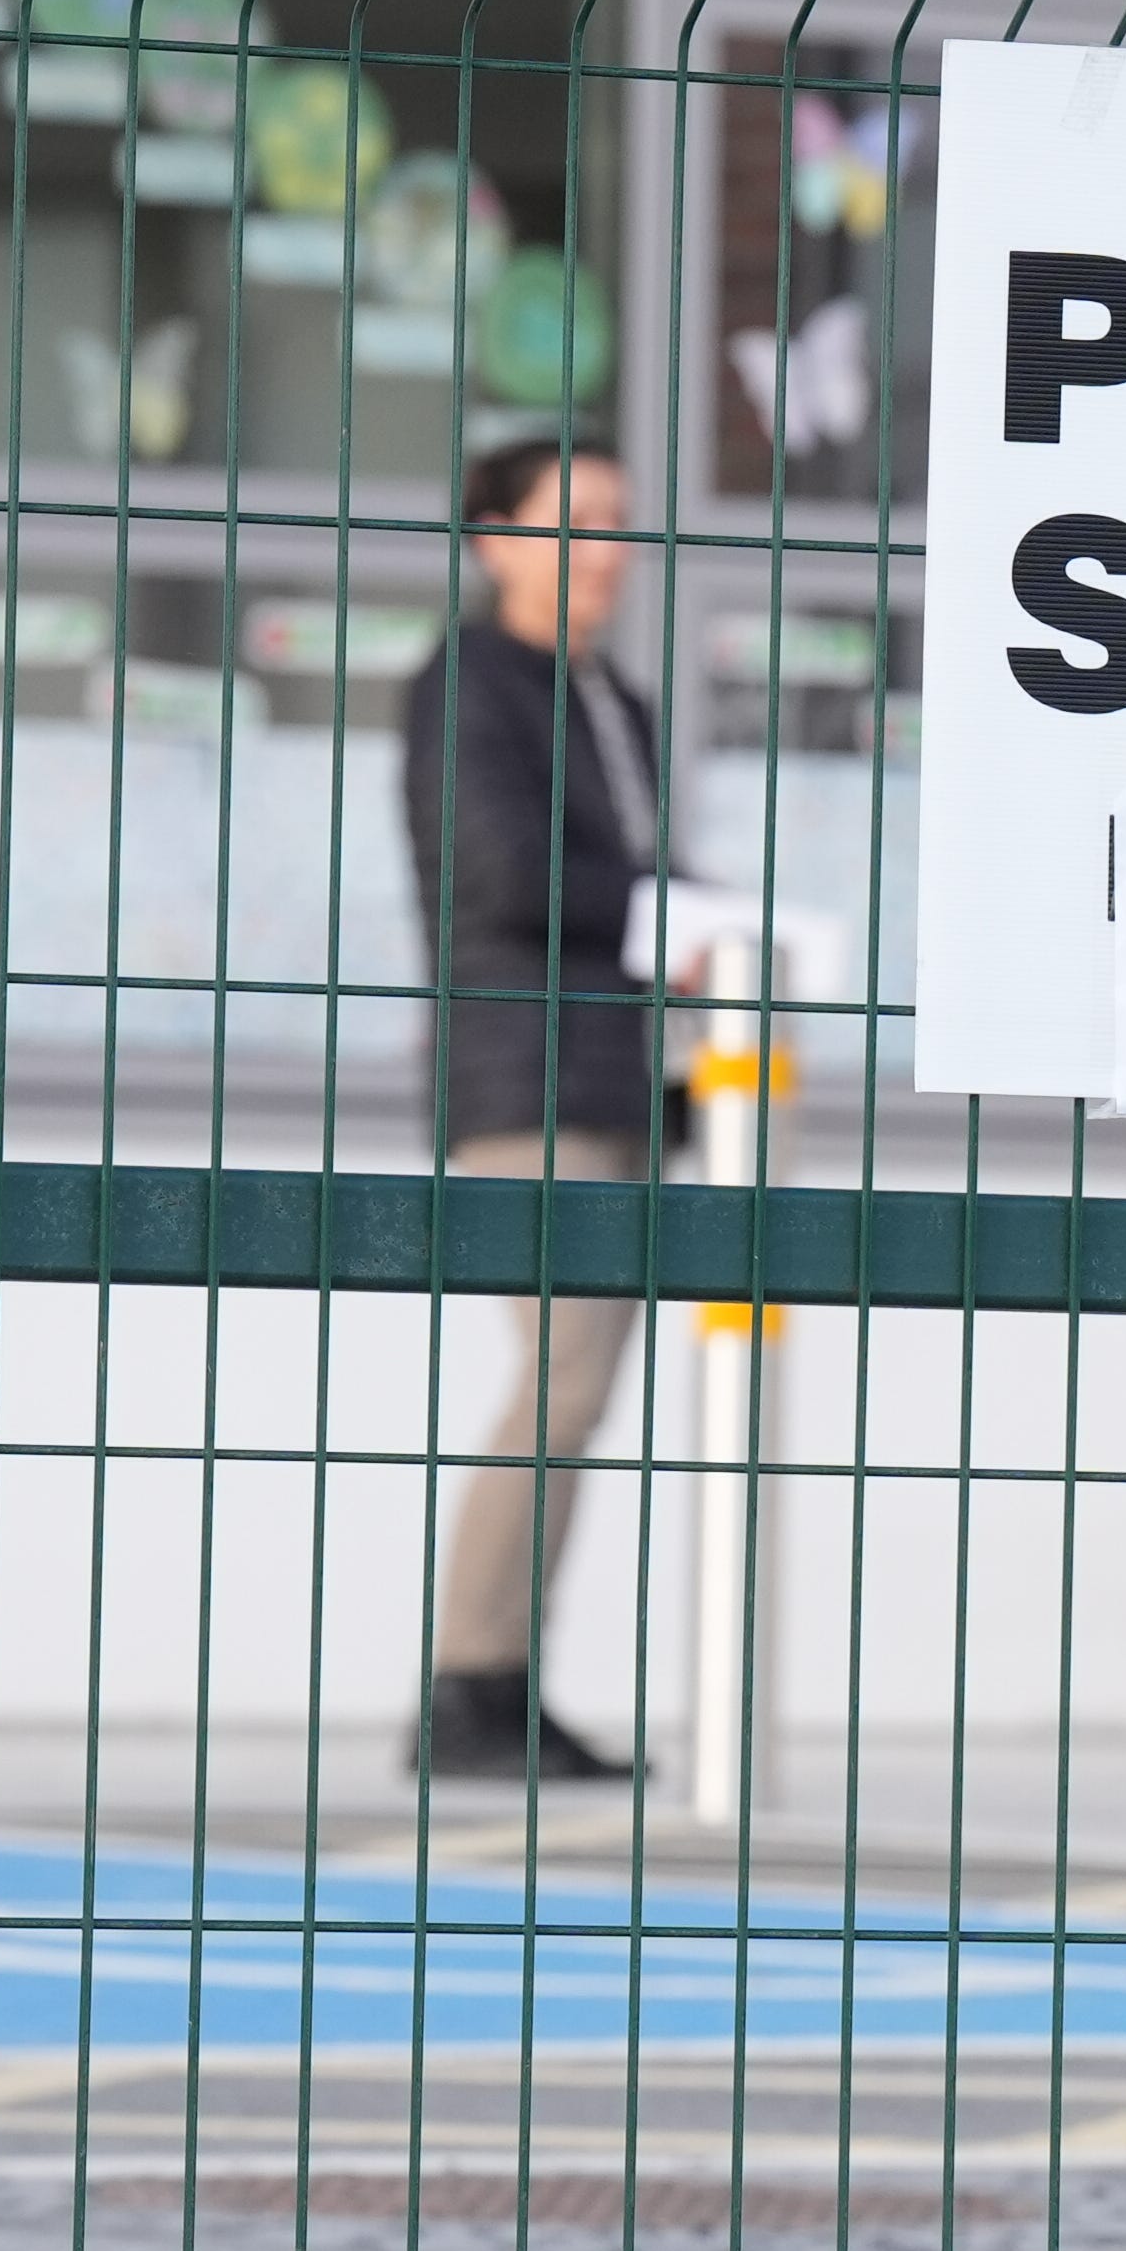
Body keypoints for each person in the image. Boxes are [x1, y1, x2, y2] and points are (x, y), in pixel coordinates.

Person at [404, 438, 661, 1783]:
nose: (608, 550)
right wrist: (669, 913)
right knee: (563, 1370)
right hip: (524, 1079)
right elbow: (504, 865)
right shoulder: (468, 685)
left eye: (621, 524)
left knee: (581, 1379)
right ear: (493, 535)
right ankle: (472, 1680)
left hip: (618, 1079)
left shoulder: (611, 698)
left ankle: (502, 1675)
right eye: (577, 524)